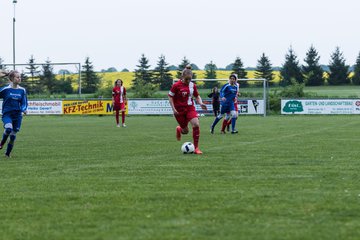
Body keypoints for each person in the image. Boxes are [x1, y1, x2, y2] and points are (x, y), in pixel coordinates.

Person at [168, 65, 207, 154]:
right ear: (182, 77)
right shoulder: (176, 85)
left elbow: (197, 96)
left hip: (190, 108)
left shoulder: (192, 86)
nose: (188, 81)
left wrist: (200, 103)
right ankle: (179, 129)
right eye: (186, 79)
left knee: (196, 124)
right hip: (179, 110)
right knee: (185, 131)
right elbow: (170, 97)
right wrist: (173, 109)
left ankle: (196, 148)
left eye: (190, 79)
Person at [0, 70, 28, 158]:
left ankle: (7, 154)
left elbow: (24, 103)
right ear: (12, 79)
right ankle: (1, 144)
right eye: (17, 77)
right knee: (8, 129)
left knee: (12, 136)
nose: (19, 78)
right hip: (7, 114)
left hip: (18, 116)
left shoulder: (22, 90)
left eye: (20, 77)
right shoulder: (5, 89)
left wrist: (24, 109)